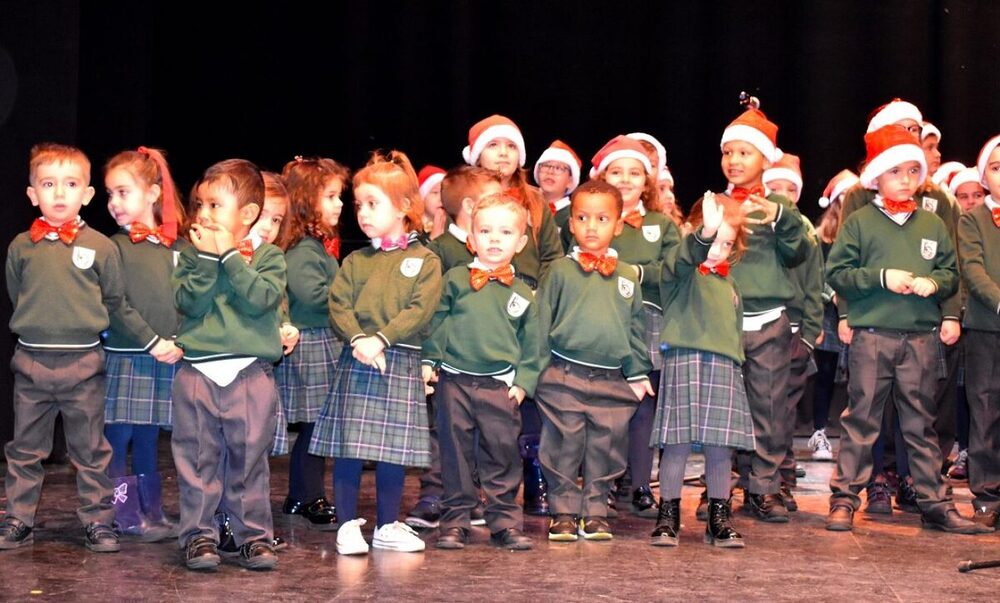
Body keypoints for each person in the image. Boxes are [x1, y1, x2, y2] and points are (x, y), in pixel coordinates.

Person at [2, 143, 167, 553]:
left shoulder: (101, 247)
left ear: (87, 194)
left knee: (91, 450)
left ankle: (98, 519)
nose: (59, 194)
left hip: (84, 364)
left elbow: (114, 303)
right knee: (24, 449)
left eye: (70, 184)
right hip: (32, 362)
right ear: (32, 193)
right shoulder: (21, 246)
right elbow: (16, 294)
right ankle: (18, 518)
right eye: (49, 184)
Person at [825, 125, 989, 535]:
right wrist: (881, 277)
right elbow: (838, 273)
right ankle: (845, 498)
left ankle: (933, 501)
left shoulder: (932, 225)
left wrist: (936, 284)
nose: (904, 178)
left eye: (912, 171)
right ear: (876, 177)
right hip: (873, 336)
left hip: (919, 339)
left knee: (920, 423)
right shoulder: (860, 221)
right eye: (895, 170)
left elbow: (951, 273)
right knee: (861, 418)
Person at [309, 151, 443, 555]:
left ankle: (387, 525)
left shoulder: (424, 260)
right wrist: (357, 340)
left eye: (373, 204)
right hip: (357, 357)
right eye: (359, 205)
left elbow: (420, 309)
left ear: (404, 206)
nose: (363, 213)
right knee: (350, 446)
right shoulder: (355, 260)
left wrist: (382, 339)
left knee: (393, 451)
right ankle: (348, 525)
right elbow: (339, 305)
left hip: (396, 358)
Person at [172, 159, 287, 570]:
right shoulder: (189, 256)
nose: (203, 214)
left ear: (249, 215)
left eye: (215, 205)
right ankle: (199, 537)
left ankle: (253, 537)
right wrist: (207, 258)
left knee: (248, 462)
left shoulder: (269, 258)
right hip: (198, 373)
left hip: (249, 374)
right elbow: (189, 302)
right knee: (198, 460)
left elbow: (259, 299)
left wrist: (229, 258)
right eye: (201, 204)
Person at [535, 180, 653, 542]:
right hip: (563, 372)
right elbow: (540, 324)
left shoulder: (628, 277)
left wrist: (637, 372)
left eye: (602, 218)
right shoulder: (559, 271)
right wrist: (533, 373)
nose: (591, 226)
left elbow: (635, 330)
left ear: (618, 225)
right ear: (570, 223)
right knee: (563, 444)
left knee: (607, 445)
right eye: (583, 217)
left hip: (612, 378)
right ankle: (564, 511)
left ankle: (597, 510)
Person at [424, 193, 542, 551]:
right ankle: (455, 521)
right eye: (485, 231)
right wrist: (430, 361)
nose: (494, 239)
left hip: (499, 386)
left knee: (502, 454)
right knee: (454, 454)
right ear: (471, 239)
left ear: (520, 242)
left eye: (505, 232)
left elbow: (533, 345)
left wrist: (523, 384)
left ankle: (504, 521)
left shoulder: (524, 294)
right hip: (454, 381)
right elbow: (437, 323)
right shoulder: (455, 280)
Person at [719, 103, 809, 523]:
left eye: (744, 152)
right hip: (723, 322)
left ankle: (764, 488)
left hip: (769, 321)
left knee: (769, 409)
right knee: (723, 407)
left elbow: (797, 255)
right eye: (728, 152)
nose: (734, 160)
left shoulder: (780, 209)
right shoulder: (714, 203)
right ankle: (719, 488)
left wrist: (780, 218)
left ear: (765, 159)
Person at [651, 191, 753, 548]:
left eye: (726, 243)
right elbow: (684, 257)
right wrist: (704, 235)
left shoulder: (730, 285)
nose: (716, 249)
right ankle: (669, 514)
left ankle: (719, 516)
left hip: (724, 365)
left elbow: (736, 329)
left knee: (719, 446)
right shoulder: (680, 274)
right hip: (684, 360)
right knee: (675, 443)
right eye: (712, 239)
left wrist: (736, 361)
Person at [588, 134, 680, 517]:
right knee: (607, 407)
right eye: (616, 171)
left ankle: (641, 483)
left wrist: (633, 272)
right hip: (604, 320)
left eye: (634, 172)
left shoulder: (661, 224)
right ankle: (605, 483)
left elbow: (675, 268)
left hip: (649, 320)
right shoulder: (593, 219)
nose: (625, 179)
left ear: (648, 180)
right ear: (601, 177)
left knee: (644, 406)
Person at [102, 147, 186, 542]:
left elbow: (187, 302)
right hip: (128, 356)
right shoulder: (113, 248)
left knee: (151, 435)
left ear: (153, 194)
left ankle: (153, 510)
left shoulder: (176, 248)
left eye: (123, 192)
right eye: (110, 195)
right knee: (120, 436)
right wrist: (152, 341)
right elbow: (116, 305)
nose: (114, 203)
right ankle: (124, 512)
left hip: (166, 355)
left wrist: (178, 342)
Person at [275, 157, 350, 531]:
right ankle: (307, 495)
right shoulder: (305, 249)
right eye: (332, 196)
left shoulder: (317, 246)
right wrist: (350, 296)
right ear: (306, 201)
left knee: (313, 427)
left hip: (321, 343)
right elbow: (313, 296)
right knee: (314, 428)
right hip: (312, 346)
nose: (339, 204)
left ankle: (299, 495)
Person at [763, 152, 824, 511]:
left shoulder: (805, 231)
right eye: (774, 187)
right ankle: (742, 477)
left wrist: (809, 333)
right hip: (754, 328)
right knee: (750, 407)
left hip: (793, 333)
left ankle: (781, 478)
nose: (782, 195)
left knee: (782, 410)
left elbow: (815, 285)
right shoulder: (752, 226)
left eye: (790, 189)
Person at [957, 134, 1000, 528]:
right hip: (987, 327)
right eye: (997, 168)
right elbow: (972, 268)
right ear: (984, 176)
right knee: (984, 409)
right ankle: (986, 495)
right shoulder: (973, 219)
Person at [534, 139, 582, 235]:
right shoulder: (525, 202)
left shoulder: (572, 214)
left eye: (559, 168)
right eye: (546, 165)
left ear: (570, 181)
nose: (550, 172)